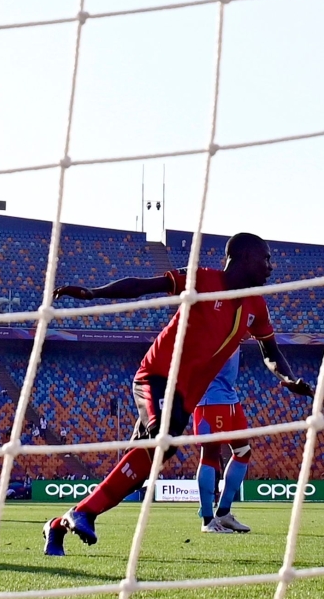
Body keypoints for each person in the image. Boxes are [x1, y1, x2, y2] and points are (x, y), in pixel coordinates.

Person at [43, 233, 313, 557]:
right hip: (156, 376)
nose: (271, 267)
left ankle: (58, 526)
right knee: (164, 441)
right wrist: (93, 294)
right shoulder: (202, 280)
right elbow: (143, 286)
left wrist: (288, 378)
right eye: (266, 258)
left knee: (146, 467)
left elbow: (270, 351)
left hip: (185, 397)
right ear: (244, 257)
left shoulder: (257, 305)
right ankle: (83, 514)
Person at [193, 349, 251, 533]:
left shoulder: (233, 322)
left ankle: (224, 513)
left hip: (230, 397)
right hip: (211, 398)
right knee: (210, 453)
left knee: (243, 451)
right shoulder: (212, 323)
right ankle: (208, 520)